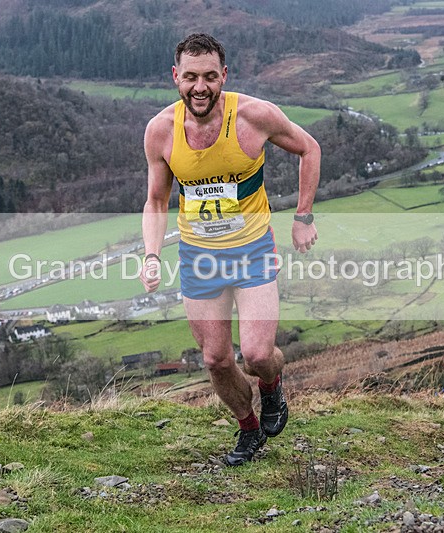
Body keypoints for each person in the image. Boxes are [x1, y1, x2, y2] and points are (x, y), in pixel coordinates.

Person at [140, 33, 320, 466]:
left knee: (258, 354)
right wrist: (150, 255)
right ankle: (248, 428)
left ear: (224, 75)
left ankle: (272, 386)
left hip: (252, 250)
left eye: (208, 77)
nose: (199, 87)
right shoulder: (160, 131)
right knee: (217, 360)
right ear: (175, 77)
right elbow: (157, 200)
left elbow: (309, 148)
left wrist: (303, 217)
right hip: (199, 258)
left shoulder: (254, 116)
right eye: (189, 78)